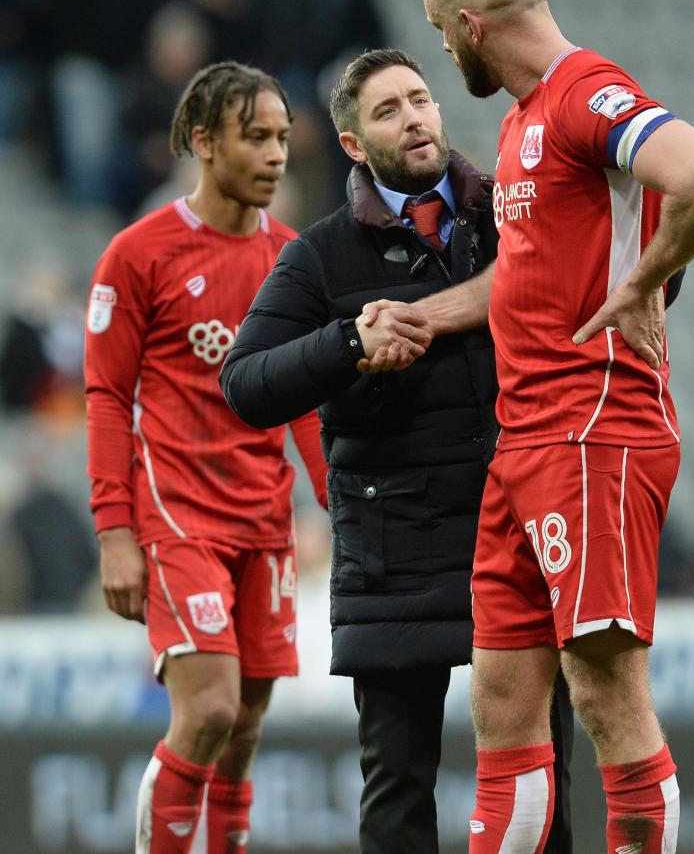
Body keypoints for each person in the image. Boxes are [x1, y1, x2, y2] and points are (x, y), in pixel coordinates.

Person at [401, 0, 694, 854]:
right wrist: (433, 315)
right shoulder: (522, 121)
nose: (442, 47)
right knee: (503, 700)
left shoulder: (587, 93)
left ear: (472, 23)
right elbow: (535, 265)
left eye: (441, 30)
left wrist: (643, 280)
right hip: (526, 444)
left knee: (602, 694)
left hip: (593, 429)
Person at [219, 48, 574, 854]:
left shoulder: (509, 211)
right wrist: (347, 340)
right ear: (351, 143)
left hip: (517, 528)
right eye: (387, 110)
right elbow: (244, 384)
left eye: (420, 99)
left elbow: (605, 265)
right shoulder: (319, 255)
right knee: (400, 784)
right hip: (396, 548)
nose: (414, 117)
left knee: (538, 773)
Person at [84, 61, 328, 854]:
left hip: (264, 517)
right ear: (202, 142)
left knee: (247, 726)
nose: (274, 154)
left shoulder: (296, 260)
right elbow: (107, 398)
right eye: (254, 136)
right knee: (211, 709)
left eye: (283, 138)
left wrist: (337, 503)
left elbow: (307, 403)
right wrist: (114, 532)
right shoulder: (138, 253)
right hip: (177, 516)